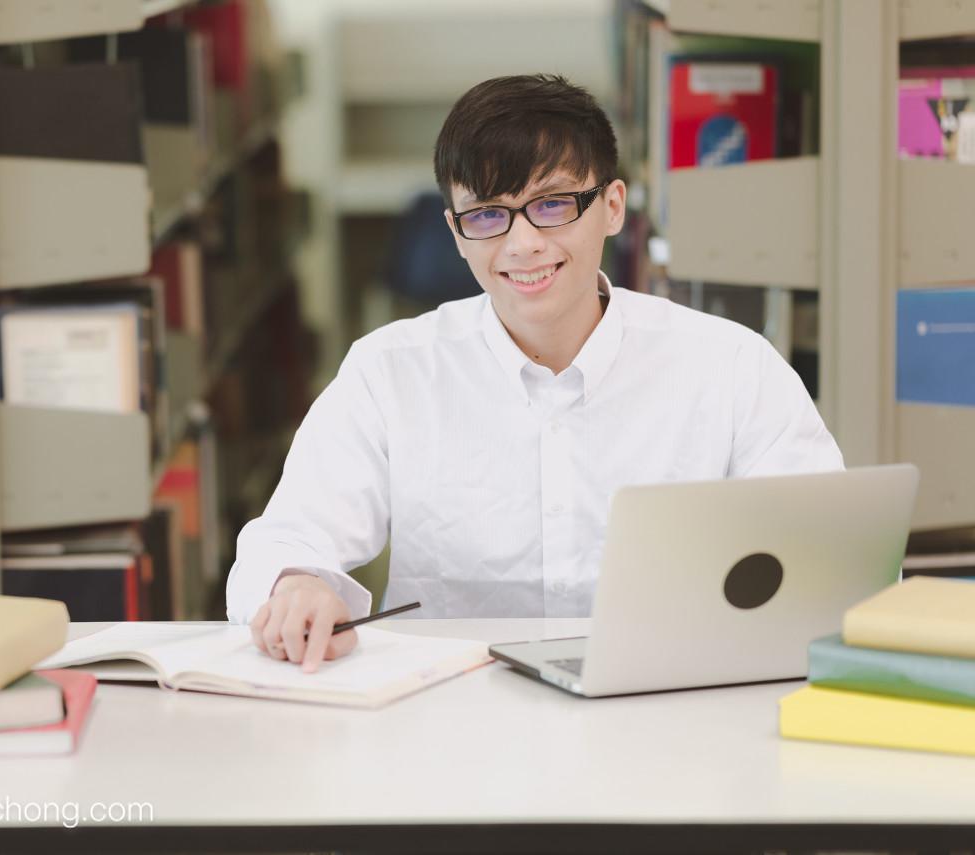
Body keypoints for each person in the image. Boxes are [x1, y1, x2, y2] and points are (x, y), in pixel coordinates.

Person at [225, 74, 843, 672]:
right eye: (489, 215)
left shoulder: (730, 366)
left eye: (551, 205)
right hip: (451, 727)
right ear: (456, 233)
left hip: (670, 710)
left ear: (612, 207)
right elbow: (286, 539)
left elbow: (831, 553)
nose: (522, 244)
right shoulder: (390, 371)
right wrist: (296, 586)